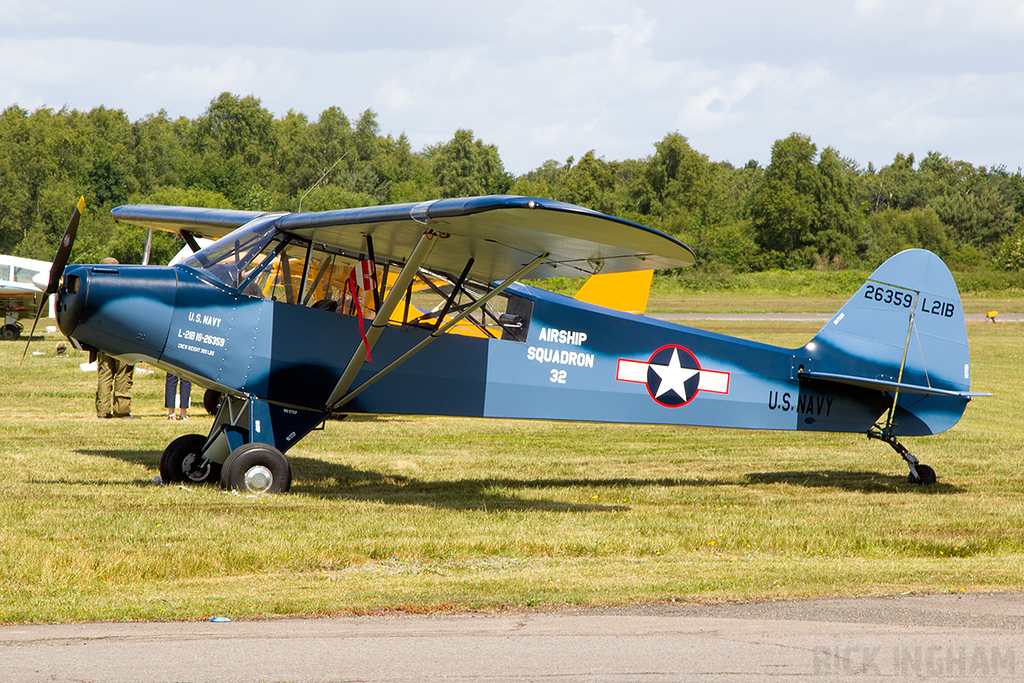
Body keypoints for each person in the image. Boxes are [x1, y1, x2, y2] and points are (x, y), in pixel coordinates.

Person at [94, 258, 136, 418]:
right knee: (123, 372)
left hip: (102, 337)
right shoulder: (124, 287)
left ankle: (102, 411)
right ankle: (122, 410)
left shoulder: (95, 288)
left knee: (105, 374)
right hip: (121, 336)